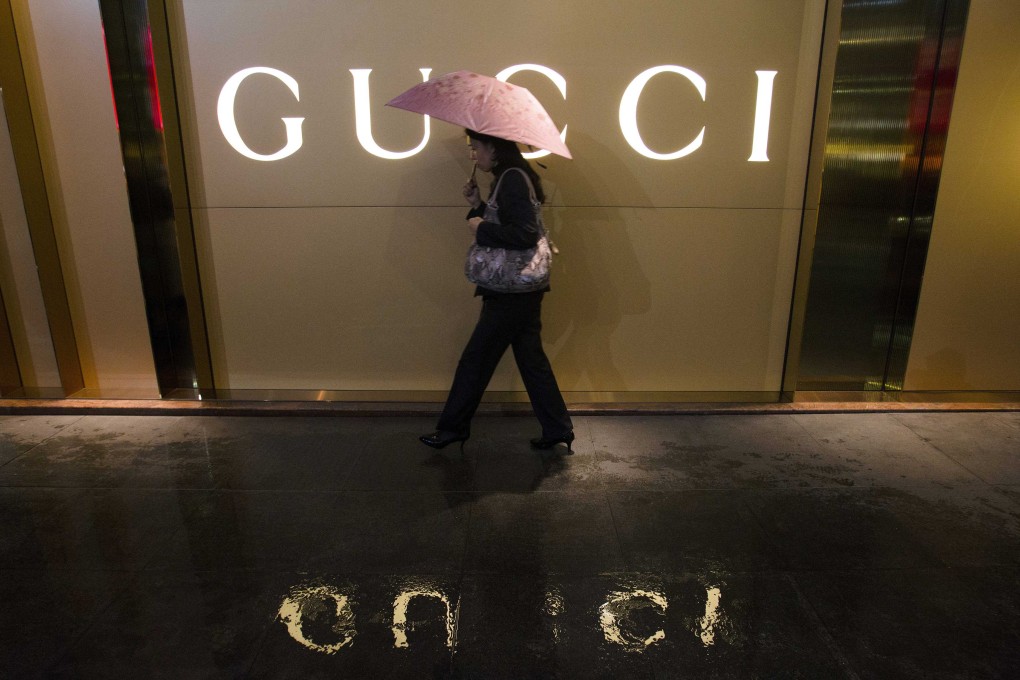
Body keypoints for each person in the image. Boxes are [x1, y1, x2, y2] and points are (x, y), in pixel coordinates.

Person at [419, 129, 574, 453]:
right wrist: (478, 206)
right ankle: (558, 428)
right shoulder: (510, 177)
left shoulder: (513, 179)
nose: (473, 155)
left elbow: (524, 235)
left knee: (475, 359)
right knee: (531, 360)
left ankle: (452, 428)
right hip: (521, 290)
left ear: (494, 146)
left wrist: (482, 227)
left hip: (510, 292)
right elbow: (508, 223)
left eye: (476, 147)